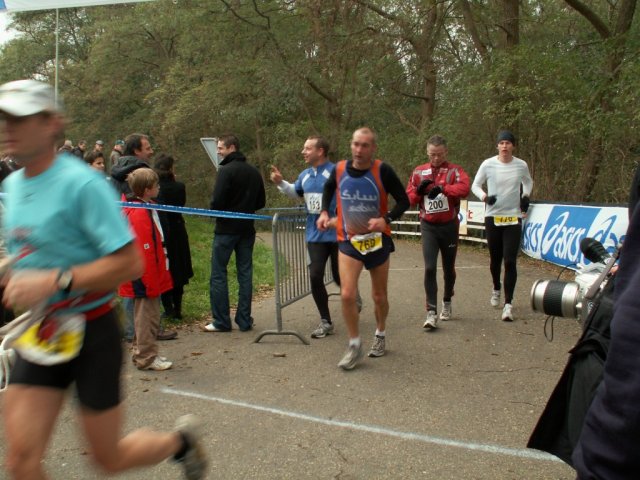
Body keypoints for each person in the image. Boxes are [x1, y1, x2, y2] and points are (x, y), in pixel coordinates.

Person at [0, 79, 206, 479]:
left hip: (93, 330)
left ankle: (180, 442)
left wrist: (55, 280)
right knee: (21, 461)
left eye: (18, 118)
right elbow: (29, 250)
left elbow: (129, 263)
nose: (7, 127)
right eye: (4, 118)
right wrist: (9, 268)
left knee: (107, 459)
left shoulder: (82, 184)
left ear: (50, 123)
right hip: (43, 330)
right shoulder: (10, 187)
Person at [317, 127, 409, 370]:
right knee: (347, 294)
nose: (359, 150)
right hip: (349, 241)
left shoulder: (383, 170)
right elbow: (328, 189)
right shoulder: (338, 170)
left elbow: (404, 200)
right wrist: (325, 211)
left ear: (373, 148)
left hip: (377, 241)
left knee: (379, 297)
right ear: (351, 145)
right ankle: (354, 344)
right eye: (356, 144)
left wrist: (385, 219)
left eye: (365, 145)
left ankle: (380, 333)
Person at [270, 136, 345, 338]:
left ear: (320, 151)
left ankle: (352, 296)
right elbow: (296, 192)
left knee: (340, 278)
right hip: (315, 235)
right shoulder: (304, 174)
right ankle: (326, 321)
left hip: (338, 234)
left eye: (307, 148)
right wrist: (281, 182)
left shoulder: (336, 171)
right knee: (315, 275)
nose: (303, 152)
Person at [406, 135, 470, 330]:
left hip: (449, 226)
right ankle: (431, 312)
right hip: (428, 227)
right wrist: (419, 191)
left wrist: (444, 188)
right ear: (427, 153)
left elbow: (464, 188)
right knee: (429, 268)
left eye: (439, 155)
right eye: (432, 155)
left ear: (446, 152)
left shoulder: (454, 171)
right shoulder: (419, 171)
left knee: (448, 268)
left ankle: (447, 300)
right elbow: (408, 197)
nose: (435, 158)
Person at [204, 134, 266, 333]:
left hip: (225, 231)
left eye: (221, 148)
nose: (218, 152)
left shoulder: (225, 171)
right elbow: (261, 202)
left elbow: (217, 202)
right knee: (245, 273)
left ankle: (222, 321)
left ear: (232, 147)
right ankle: (244, 320)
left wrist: (217, 209)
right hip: (247, 229)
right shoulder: (254, 172)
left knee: (218, 273)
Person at [471, 130, 533, 321]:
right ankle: (496, 287)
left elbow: (528, 182)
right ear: (497, 146)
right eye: (502, 143)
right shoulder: (488, 164)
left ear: (513, 146)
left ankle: (508, 303)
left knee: (510, 261)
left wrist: (525, 197)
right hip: (493, 216)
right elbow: (475, 185)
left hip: (513, 217)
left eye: (508, 143)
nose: (504, 146)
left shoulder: (521, 165)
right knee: (495, 259)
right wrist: (485, 197)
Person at [118, 168, 175, 370]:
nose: (159, 188)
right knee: (146, 317)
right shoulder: (139, 214)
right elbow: (145, 249)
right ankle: (147, 357)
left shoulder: (144, 207)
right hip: (144, 275)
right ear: (147, 189)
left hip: (149, 273)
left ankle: (141, 351)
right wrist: (151, 280)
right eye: (157, 185)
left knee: (145, 315)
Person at [154, 154, 194, 321]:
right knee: (178, 268)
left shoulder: (156, 189)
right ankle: (177, 309)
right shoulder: (179, 187)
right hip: (177, 229)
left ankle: (168, 308)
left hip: (162, 230)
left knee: (165, 266)